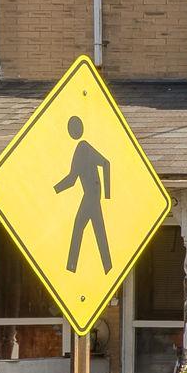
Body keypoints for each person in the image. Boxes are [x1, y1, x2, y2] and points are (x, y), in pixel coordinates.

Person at [55, 116, 113, 275]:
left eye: (72, 128)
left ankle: (71, 268)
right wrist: (55, 189)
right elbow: (72, 179)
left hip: (91, 197)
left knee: (79, 228)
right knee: (98, 231)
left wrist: (108, 194)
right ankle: (107, 267)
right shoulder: (80, 149)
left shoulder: (83, 147)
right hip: (91, 196)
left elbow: (106, 163)